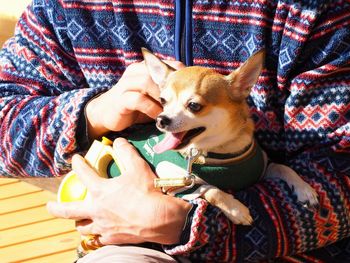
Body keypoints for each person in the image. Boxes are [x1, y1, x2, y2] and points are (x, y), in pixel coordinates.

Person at [0, 0, 349, 262]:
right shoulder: (64, 7)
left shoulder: (316, 12)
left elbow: (342, 175)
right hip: (128, 249)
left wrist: (187, 226)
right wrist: (93, 113)